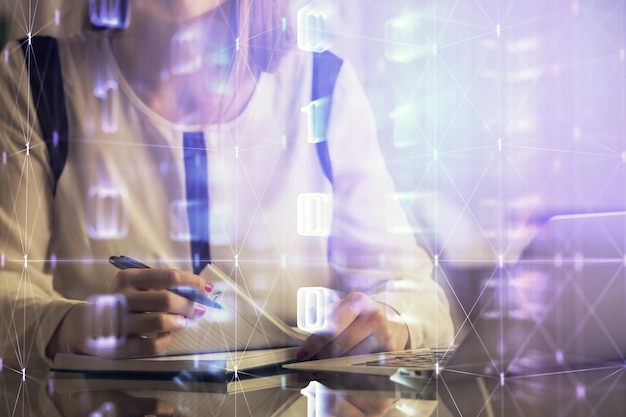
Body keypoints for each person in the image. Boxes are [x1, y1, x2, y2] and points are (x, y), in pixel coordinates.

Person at [0, 0, 453, 370]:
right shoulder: (36, 77)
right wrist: (74, 325)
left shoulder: (322, 87)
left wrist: (392, 320)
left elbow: (418, 297)